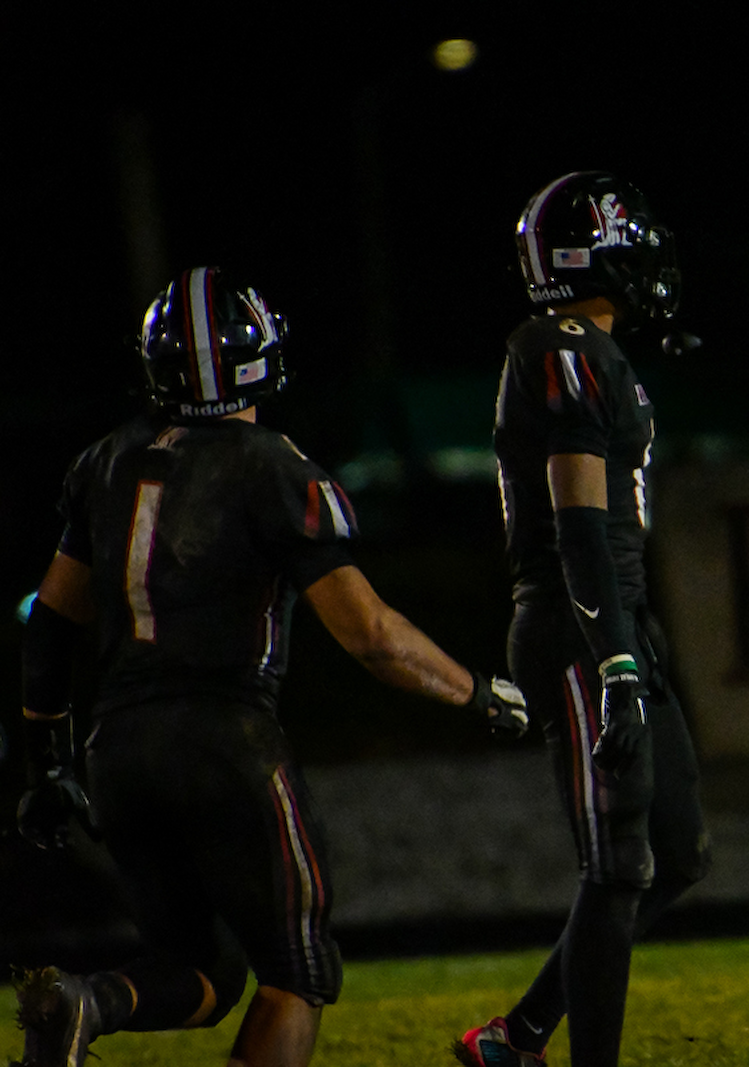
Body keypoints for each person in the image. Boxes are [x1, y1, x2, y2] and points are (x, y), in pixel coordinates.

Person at [12, 267, 529, 1067]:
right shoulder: (274, 466)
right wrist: (480, 694)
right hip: (224, 739)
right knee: (298, 972)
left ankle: (85, 1001)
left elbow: (50, 621)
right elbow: (371, 634)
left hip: (116, 749)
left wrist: (45, 759)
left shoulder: (105, 461)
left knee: (203, 968)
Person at [454, 171, 711, 1067]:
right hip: (579, 625)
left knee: (676, 851)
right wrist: (616, 664)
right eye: (626, 237)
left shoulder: (590, 349)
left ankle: (518, 1036)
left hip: (613, 619)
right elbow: (578, 527)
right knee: (618, 863)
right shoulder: (558, 346)